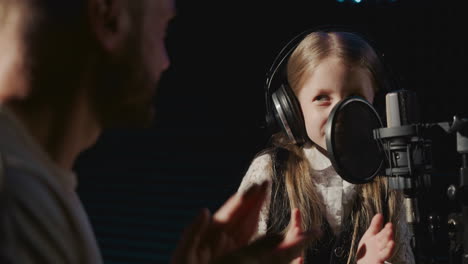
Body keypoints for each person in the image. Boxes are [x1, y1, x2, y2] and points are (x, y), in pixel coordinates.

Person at [0, 0, 309, 263]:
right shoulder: (20, 206)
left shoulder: (38, 185)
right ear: (109, 19)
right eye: (162, 30)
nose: (165, 62)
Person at [238, 30, 416, 264]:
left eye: (355, 96)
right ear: (291, 110)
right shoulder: (268, 171)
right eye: (322, 98)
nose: (340, 114)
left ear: (378, 106)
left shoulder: (389, 180)